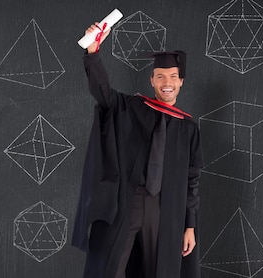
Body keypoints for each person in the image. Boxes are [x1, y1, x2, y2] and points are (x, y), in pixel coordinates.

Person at [72, 23, 203, 278]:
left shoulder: (188, 128)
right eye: (161, 77)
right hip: (128, 201)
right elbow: (103, 93)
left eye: (173, 77)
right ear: (151, 80)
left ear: (181, 82)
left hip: (166, 208)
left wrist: (190, 226)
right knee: (110, 269)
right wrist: (93, 52)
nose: (167, 83)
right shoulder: (131, 108)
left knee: (160, 272)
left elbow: (192, 180)